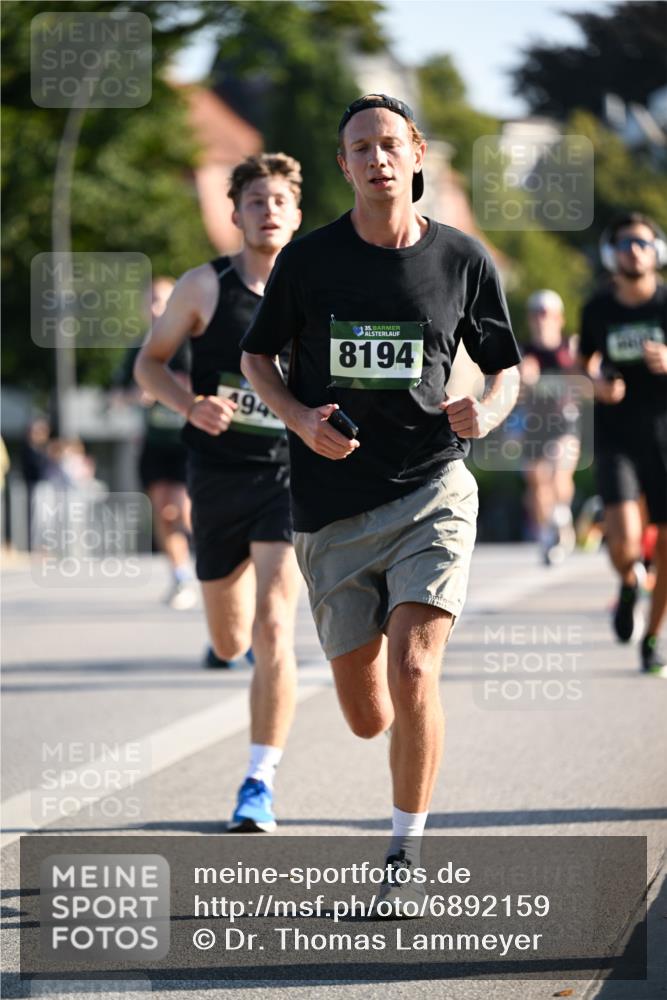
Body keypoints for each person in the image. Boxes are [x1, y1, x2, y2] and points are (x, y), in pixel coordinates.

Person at [240, 95, 521, 905]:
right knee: (368, 713)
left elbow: (504, 367)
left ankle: (404, 851)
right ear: (342, 164)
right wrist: (297, 418)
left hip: (433, 487)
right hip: (330, 510)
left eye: (388, 144)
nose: (376, 158)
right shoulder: (310, 260)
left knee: (414, 669)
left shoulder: (461, 260)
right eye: (358, 147)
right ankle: (405, 747)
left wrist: (489, 410)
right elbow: (257, 359)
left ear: (416, 152)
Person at [135, 153, 303, 831]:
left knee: (273, 625)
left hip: (289, 475)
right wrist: (190, 404)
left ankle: (258, 781)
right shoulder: (205, 287)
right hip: (218, 476)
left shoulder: (317, 291)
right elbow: (151, 364)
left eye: (280, 200)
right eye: (255, 200)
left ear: (296, 214)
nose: (268, 210)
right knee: (230, 638)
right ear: (234, 214)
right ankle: (245, 657)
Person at [579, 212, 667, 677]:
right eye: (626, 243)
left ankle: (652, 638)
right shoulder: (598, 308)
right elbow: (585, 362)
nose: (634, 250)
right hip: (616, 436)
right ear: (613, 254)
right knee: (623, 543)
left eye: (643, 242)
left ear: (657, 252)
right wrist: (596, 381)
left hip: (664, 438)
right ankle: (631, 581)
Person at [114, 278, 197, 610]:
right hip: (154, 443)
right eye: (150, 301)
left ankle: (213, 556)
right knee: (164, 511)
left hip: (190, 442)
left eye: (162, 300)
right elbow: (117, 394)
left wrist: (178, 390)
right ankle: (180, 575)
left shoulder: (193, 344)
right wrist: (137, 394)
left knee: (183, 510)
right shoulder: (139, 349)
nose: (155, 307)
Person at [520, 289, 579, 565]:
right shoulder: (523, 353)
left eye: (547, 314)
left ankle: (562, 516)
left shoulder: (570, 350)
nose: (542, 320)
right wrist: (522, 379)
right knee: (537, 482)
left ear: (559, 318)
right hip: (533, 424)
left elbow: (587, 381)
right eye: (537, 314)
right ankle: (547, 534)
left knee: (558, 470)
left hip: (564, 421)